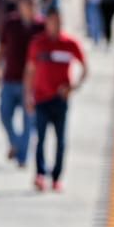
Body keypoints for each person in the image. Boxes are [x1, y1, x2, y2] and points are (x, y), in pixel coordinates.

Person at [25, 10, 88, 191]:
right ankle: (40, 174)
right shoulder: (38, 44)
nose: (56, 25)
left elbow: (85, 68)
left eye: (59, 22)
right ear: (47, 23)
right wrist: (29, 96)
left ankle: (56, 177)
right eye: (52, 22)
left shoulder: (70, 44)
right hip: (41, 98)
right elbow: (30, 71)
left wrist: (73, 87)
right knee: (40, 138)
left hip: (60, 100)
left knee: (60, 141)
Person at [0, 0, 45, 166]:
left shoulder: (41, 26)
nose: (28, 9)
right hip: (10, 77)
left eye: (31, 5)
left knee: (28, 120)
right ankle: (15, 143)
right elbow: (2, 47)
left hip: (30, 82)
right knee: (4, 113)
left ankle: (22, 157)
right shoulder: (11, 24)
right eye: (24, 5)